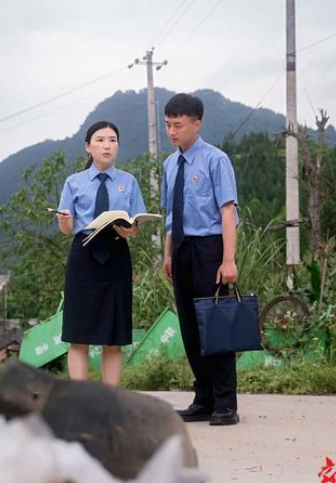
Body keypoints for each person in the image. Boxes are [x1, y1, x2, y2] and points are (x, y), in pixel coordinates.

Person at [160, 93, 241, 426]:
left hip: (210, 248)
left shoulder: (215, 160)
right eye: (168, 125)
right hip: (181, 249)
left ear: (197, 124)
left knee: (215, 324)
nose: (171, 131)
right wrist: (168, 254)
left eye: (178, 125)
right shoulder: (169, 165)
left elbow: (228, 211)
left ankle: (226, 404)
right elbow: (171, 214)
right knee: (190, 327)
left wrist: (228, 259)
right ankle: (203, 399)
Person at [57, 121, 147, 387]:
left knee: (113, 335)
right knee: (78, 333)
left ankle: (110, 398)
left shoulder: (128, 181)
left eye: (112, 140)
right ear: (88, 146)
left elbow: (136, 225)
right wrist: (64, 220)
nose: (107, 145)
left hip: (116, 255)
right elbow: (67, 229)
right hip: (83, 257)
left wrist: (131, 230)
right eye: (100, 140)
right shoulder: (74, 182)